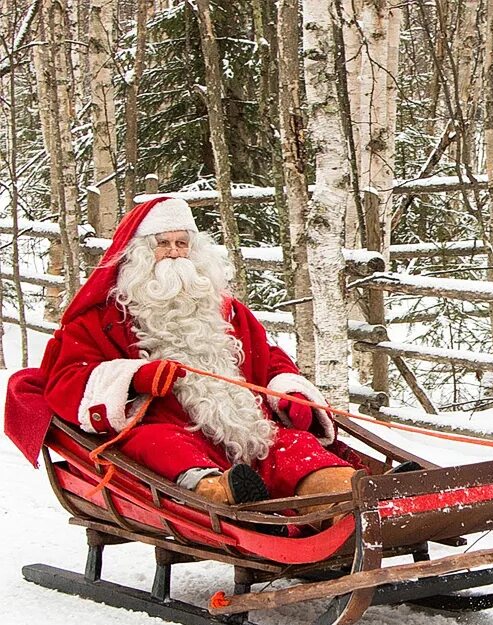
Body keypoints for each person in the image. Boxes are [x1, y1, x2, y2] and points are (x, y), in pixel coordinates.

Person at [5, 196, 356, 508]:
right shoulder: (101, 319)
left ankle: (343, 494)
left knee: (293, 446)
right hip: (165, 427)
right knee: (160, 444)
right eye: (163, 244)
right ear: (138, 254)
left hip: (247, 429)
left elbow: (267, 358)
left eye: (181, 244)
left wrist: (289, 393)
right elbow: (68, 377)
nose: (174, 252)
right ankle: (215, 490)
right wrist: (135, 378)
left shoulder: (227, 311)